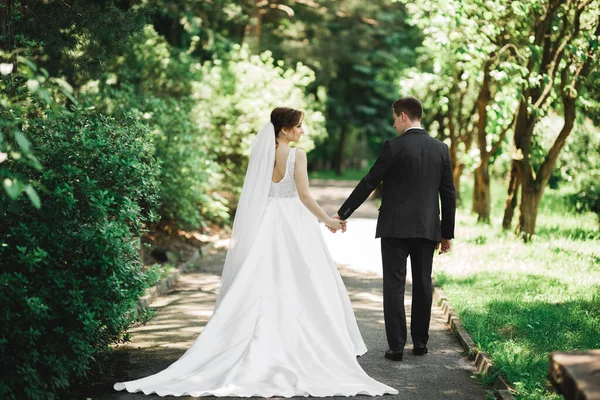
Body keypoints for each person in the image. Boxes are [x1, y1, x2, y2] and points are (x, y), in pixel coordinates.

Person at [113, 107, 398, 397]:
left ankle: (254, 337)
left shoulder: (262, 154)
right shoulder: (297, 155)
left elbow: (255, 195)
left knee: (262, 279)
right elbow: (303, 195)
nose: (302, 131)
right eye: (299, 126)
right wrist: (328, 221)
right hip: (292, 221)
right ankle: (297, 341)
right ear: (285, 129)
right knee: (301, 280)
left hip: (267, 220)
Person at [334, 96, 456, 362]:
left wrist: (343, 213)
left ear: (403, 116)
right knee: (423, 284)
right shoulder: (440, 149)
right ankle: (421, 343)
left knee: (394, 286)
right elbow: (448, 194)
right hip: (427, 229)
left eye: (394, 118)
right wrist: (447, 233)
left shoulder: (393, 147)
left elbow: (369, 182)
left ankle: (396, 347)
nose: (393, 125)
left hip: (394, 228)